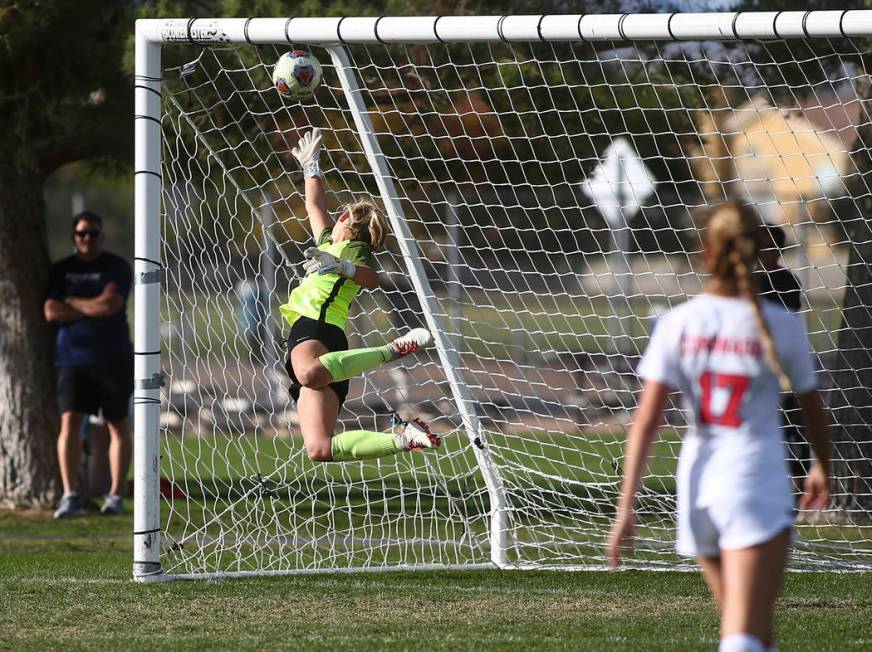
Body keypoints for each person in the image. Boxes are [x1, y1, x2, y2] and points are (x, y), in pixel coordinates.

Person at [607, 203, 831, 652]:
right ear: (757, 253)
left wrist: (625, 507)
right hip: (754, 483)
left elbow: (646, 422)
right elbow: (812, 406)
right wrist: (821, 466)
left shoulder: (676, 322)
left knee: (754, 629)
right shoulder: (781, 325)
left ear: (703, 253)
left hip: (696, 486)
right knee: (742, 634)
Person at [280, 128, 440, 462]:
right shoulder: (328, 243)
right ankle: (405, 438)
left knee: (307, 373)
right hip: (331, 354)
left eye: (339, 216)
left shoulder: (354, 248)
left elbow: (372, 279)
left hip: (317, 327)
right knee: (319, 448)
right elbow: (313, 204)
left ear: (345, 220)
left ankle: (391, 351)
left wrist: (344, 267)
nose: (332, 220)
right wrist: (311, 165)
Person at [44, 211, 134, 518]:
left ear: (101, 236)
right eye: (81, 233)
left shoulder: (115, 267)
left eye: (93, 233)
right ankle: (70, 494)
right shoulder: (62, 270)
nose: (87, 239)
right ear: (74, 236)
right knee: (70, 422)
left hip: (113, 357)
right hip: (72, 358)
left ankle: (115, 496)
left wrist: (75, 303)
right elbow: (52, 311)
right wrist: (93, 305)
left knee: (117, 424)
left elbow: (112, 305)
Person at [755, 223, 809, 493]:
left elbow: (786, 322)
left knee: (792, 424)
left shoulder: (787, 280)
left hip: (783, 365)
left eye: (767, 245)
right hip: (755, 367)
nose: (762, 250)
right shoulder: (747, 281)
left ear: (778, 248)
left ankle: (802, 487)